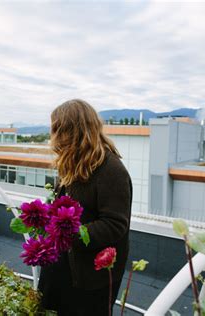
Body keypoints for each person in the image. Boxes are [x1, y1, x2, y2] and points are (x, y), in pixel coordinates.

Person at [39, 99, 132, 315]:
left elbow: (115, 224)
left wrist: (67, 234)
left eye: (57, 129)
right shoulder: (72, 161)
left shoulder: (111, 170)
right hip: (62, 267)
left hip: (90, 277)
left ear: (72, 131)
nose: (54, 138)